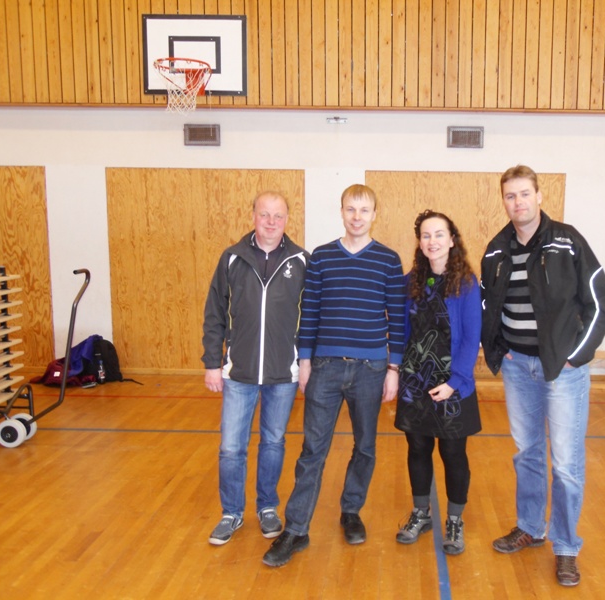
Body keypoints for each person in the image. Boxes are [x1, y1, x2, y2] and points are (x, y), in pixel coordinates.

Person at [480, 165, 605, 587]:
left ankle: (566, 546)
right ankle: (531, 527)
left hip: (563, 370)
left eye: (524, 194)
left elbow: (599, 302)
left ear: (539, 196)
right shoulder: (495, 251)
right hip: (518, 368)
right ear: (504, 201)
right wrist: (496, 348)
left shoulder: (568, 242)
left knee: (567, 463)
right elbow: (486, 306)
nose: (517, 202)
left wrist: (577, 356)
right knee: (528, 453)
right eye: (510, 196)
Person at [262, 184, 406, 567]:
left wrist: (394, 368)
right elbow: (309, 312)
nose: (357, 217)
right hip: (324, 368)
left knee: (365, 447)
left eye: (364, 210)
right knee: (313, 451)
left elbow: (398, 319)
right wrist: (305, 361)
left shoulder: (389, 260)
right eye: (350, 209)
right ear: (341, 212)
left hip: (371, 370)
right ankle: (296, 529)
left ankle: (351, 511)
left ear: (375, 214)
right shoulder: (322, 257)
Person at [202, 191, 309, 546]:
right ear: (253, 216)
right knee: (231, 447)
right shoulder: (232, 258)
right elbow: (214, 313)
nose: (271, 222)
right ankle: (231, 513)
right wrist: (212, 363)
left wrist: (305, 362)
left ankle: (267, 507)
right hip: (239, 372)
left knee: (273, 443)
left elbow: (311, 318)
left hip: (283, 373)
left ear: (287, 220)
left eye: (278, 216)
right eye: (265, 214)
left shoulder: (301, 261)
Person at [394, 210, 482, 556]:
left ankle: (455, 520)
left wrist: (455, 382)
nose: (432, 241)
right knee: (417, 449)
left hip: (452, 385)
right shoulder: (410, 282)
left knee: (453, 453)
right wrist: (398, 372)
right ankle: (421, 513)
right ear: (419, 243)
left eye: (439, 234)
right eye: (426, 236)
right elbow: (403, 331)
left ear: (452, 239)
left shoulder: (467, 283)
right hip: (415, 383)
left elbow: (471, 337)